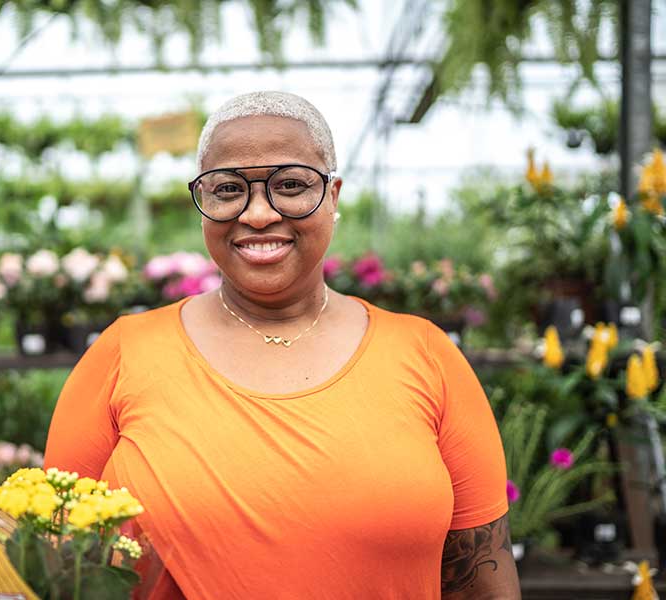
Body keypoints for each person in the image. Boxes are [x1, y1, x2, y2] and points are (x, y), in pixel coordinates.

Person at [44, 91, 521, 599]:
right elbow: (51, 566)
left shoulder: (426, 356)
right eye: (228, 189)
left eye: (290, 185)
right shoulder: (123, 355)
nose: (257, 214)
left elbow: (483, 584)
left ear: (333, 196)